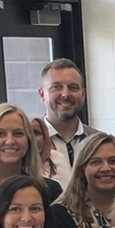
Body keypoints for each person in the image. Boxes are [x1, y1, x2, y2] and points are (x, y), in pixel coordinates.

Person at [0, 102, 62, 206]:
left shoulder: (50, 190)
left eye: (18, 133)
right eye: (0, 134)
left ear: (29, 141)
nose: (10, 141)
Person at [36, 58, 98, 186]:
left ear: (83, 94)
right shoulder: (29, 144)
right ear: (42, 94)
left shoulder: (99, 141)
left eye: (73, 87)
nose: (65, 94)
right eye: (56, 87)